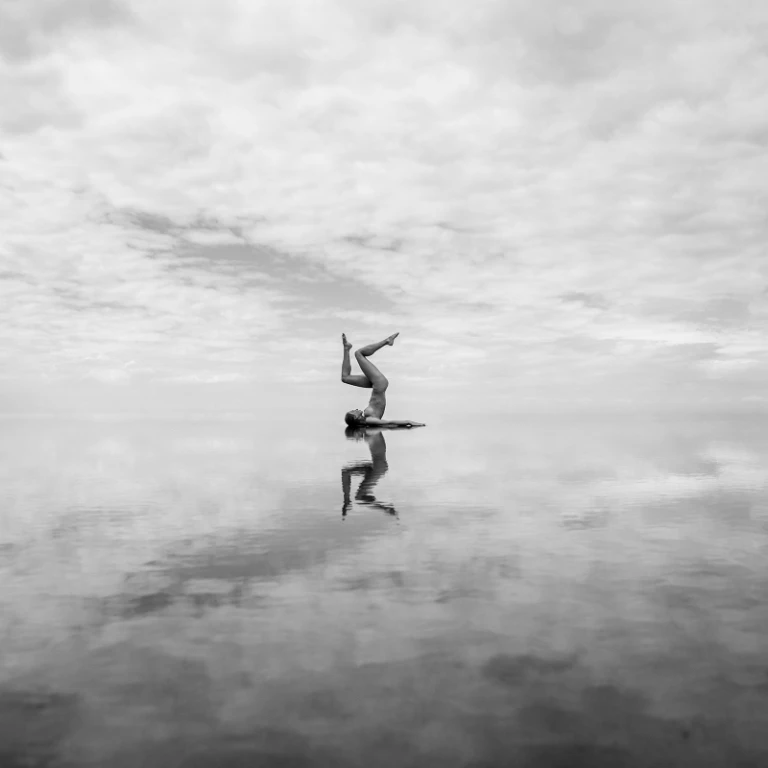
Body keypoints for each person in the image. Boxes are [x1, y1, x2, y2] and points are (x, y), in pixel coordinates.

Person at [340, 333, 425, 428]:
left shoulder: (366, 419)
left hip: (376, 385)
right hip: (379, 383)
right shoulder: (369, 420)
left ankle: (346, 348)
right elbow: (388, 422)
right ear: (355, 417)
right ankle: (387, 341)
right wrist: (409, 422)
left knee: (345, 378)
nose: (355, 409)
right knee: (359, 354)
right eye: (353, 411)